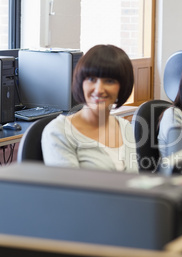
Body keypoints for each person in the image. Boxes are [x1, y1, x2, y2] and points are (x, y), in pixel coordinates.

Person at [42, 44, 139, 172]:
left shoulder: (125, 127)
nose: (98, 90)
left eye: (109, 81)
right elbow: (69, 190)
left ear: (123, 86)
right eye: (91, 79)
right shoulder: (58, 132)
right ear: (81, 82)